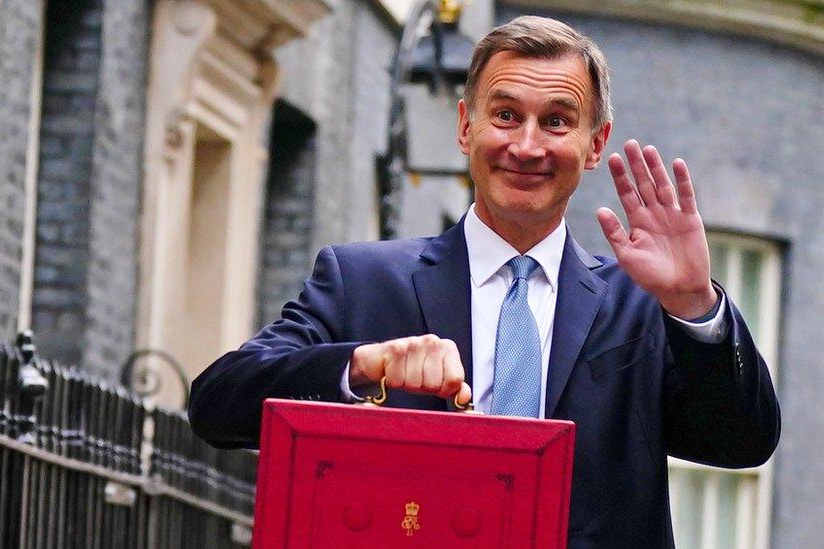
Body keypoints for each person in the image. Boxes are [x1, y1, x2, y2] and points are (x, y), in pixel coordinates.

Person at [188, 15, 779, 547]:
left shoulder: (646, 305)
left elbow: (742, 443)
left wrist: (695, 304)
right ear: (465, 125)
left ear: (594, 143)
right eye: (504, 115)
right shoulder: (362, 281)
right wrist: (364, 366)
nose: (525, 146)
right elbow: (217, 405)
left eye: (556, 122)